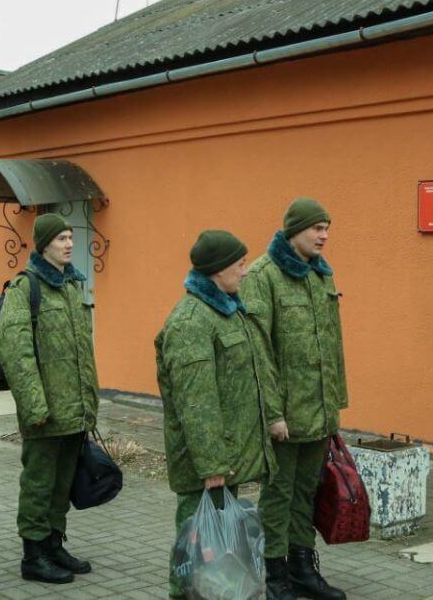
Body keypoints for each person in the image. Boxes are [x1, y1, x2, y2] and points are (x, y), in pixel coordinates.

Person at [155, 229, 276, 599]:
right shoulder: (191, 321)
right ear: (218, 270)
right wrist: (211, 465)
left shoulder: (227, 310)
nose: (245, 271)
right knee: (194, 549)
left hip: (226, 457)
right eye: (240, 264)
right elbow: (196, 400)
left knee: (219, 552)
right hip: (206, 464)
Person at [240, 198, 347, 600]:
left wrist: (334, 405)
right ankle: (275, 574)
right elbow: (258, 353)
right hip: (284, 415)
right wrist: (272, 413)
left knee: (306, 493)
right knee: (278, 495)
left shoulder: (321, 275)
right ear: (294, 231)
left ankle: (303, 568)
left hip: (318, 412)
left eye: (326, 228)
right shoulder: (263, 276)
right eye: (317, 228)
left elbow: (332, 346)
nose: (324, 236)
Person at [0, 214, 98, 584]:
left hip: (73, 409)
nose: (69, 244)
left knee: (62, 483)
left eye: (70, 237)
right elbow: (15, 350)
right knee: (39, 484)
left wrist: (88, 404)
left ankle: (54, 545)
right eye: (60, 239)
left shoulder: (71, 286)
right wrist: (34, 405)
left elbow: (82, 352)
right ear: (43, 245)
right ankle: (34, 555)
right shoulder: (26, 287)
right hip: (45, 412)